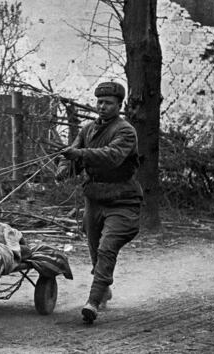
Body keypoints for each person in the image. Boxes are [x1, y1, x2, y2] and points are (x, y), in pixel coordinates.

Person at [56, 81, 143, 324]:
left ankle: (92, 303)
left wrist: (80, 155)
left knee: (107, 247)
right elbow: (71, 153)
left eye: (108, 103)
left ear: (119, 105)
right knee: (95, 250)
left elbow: (112, 157)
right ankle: (103, 288)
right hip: (94, 198)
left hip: (122, 201)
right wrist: (64, 169)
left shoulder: (125, 131)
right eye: (99, 102)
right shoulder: (87, 130)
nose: (102, 107)